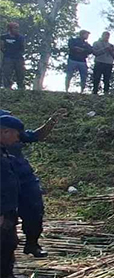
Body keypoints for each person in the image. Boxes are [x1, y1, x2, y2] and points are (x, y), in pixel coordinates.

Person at [0, 108, 65, 259]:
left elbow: (36, 136)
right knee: (6, 218)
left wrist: (51, 122)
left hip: (24, 177)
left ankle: (32, 244)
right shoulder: (5, 129)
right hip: (4, 182)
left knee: (35, 210)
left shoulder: (13, 132)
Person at [1, 115, 23, 278]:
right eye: (16, 134)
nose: (18, 138)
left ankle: (6, 275)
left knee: (9, 241)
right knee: (5, 242)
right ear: (5, 131)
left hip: (8, 208)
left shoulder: (3, 151)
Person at [1, 22, 26, 90]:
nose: (17, 30)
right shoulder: (3, 37)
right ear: (10, 29)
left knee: (20, 74)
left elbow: (23, 48)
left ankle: (21, 88)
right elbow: (2, 47)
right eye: (15, 28)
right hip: (8, 58)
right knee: (7, 73)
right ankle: (7, 88)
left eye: (17, 28)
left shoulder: (21, 38)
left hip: (18, 58)